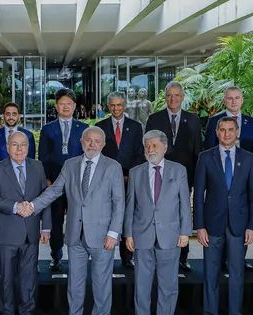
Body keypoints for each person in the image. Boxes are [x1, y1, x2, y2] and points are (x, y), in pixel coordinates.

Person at [26, 126, 125, 315]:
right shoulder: (70, 165)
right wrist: (33, 205)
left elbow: (119, 203)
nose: (92, 144)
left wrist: (114, 233)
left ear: (103, 144)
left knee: (101, 282)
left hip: (102, 236)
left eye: (97, 141)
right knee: (75, 282)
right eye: (88, 140)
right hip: (75, 234)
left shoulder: (113, 167)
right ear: (81, 142)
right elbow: (55, 190)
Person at [194, 116, 253, 315]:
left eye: (231, 130)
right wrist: (199, 226)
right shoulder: (205, 158)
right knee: (210, 273)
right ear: (217, 132)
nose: (227, 134)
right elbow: (199, 195)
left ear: (237, 132)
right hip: (212, 225)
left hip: (239, 225)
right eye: (222, 130)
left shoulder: (249, 159)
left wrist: (252, 226)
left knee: (237, 273)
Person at [123, 130, 192, 315]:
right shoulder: (135, 172)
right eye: (147, 146)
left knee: (168, 281)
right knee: (142, 281)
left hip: (170, 234)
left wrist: (185, 232)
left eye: (154, 145)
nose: (150, 149)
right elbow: (130, 206)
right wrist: (128, 234)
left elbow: (184, 205)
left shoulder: (179, 171)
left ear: (165, 147)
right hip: (141, 234)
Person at [0, 131, 51, 315]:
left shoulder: (37, 166)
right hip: (6, 233)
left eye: (23, 144)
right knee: (6, 277)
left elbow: (45, 197)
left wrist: (46, 226)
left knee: (28, 277)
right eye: (15, 145)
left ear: (28, 147)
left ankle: (27, 314)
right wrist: (16, 206)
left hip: (30, 232)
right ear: (7, 147)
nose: (20, 149)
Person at [145, 81, 201, 272]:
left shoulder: (193, 119)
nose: (173, 98)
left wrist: (195, 178)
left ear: (183, 97)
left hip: (185, 176)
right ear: (165, 97)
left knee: (182, 214)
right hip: (160, 175)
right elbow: (149, 148)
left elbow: (197, 151)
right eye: (169, 95)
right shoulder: (154, 118)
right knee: (160, 214)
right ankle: (157, 253)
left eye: (177, 95)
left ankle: (182, 257)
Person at [205, 86, 253, 271]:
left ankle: (238, 259)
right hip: (221, 180)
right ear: (224, 100)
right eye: (230, 98)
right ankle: (221, 259)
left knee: (239, 220)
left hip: (243, 179)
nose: (234, 101)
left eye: (237, 98)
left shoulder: (251, 123)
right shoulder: (214, 121)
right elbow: (208, 150)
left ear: (242, 100)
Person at [38, 89, 87, 271]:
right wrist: (47, 179)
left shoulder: (83, 129)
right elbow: (43, 157)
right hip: (55, 181)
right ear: (56, 106)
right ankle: (56, 255)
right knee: (56, 219)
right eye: (62, 103)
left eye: (69, 103)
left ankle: (78, 255)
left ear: (74, 106)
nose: (65, 106)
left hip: (77, 181)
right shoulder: (47, 129)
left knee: (78, 219)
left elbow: (87, 156)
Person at [0, 103, 36, 273]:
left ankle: (24, 260)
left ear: (19, 116)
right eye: (8, 114)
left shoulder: (28, 135)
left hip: (22, 187)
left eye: (14, 114)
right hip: (0, 189)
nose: (11, 117)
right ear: (3, 116)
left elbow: (31, 162)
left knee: (23, 224)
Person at [96, 91, 145, 268]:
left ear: (124, 106)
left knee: (128, 216)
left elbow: (141, 154)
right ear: (108, 107)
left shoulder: (136, 126)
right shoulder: (100, 126)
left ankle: (127, 257)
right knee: (107, 215)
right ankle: (104, 253)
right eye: (112, 105)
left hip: (129, 180)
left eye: (119, 105)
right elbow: (97, 154)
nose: (116, 108)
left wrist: (128, 175)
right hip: (106, 181)